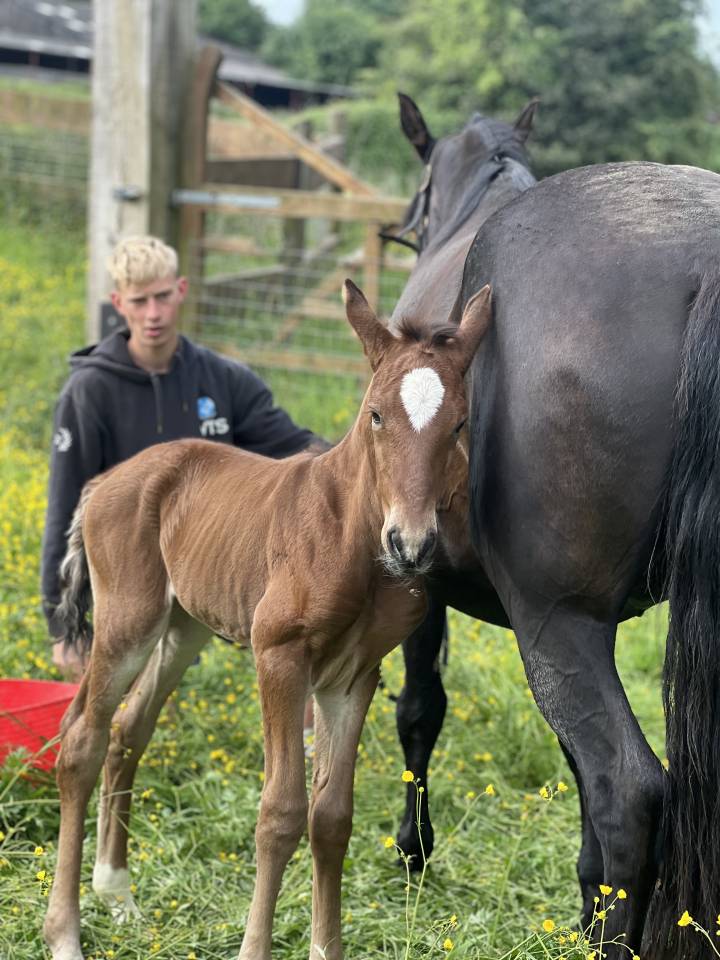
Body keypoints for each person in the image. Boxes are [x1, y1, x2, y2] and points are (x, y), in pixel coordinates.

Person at [41, 235, 329, 680]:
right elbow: (64, 503)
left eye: (161, 297)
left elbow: (293, 446)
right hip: (124, 575)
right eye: (139, 301)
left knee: (307, 636)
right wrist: (61, 626)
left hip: (204, 572)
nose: (153, 314)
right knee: (112, 701)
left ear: (182, 290)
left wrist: (360, 458)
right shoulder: (89, 390)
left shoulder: (223, 379)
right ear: (119, 302)